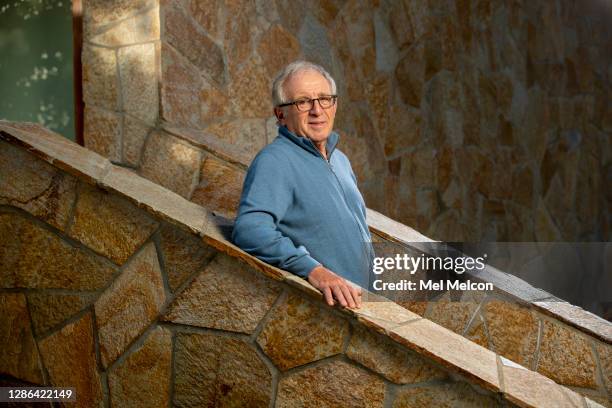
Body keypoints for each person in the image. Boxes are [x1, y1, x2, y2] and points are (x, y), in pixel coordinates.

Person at [232, 61, 373, 309]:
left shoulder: (340, 160)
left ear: (335, 105)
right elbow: (249, 229)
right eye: (303, 102)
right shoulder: (274, 161)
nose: (317, 110)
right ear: (280, 114)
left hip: (366, 305)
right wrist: (314, 270)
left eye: (324, 99)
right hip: (331, 312)